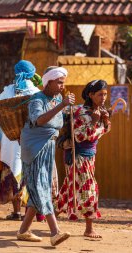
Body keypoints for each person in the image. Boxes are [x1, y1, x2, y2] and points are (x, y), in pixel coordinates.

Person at [17, 66, 75, 246]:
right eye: (58, 82)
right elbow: (39, 120)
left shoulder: (57, 98)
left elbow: (62, 116)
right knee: (41, 188)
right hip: (34, 149)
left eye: (63, 82)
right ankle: (55, 232)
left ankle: (24, 230)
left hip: (48, 148)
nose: (61, 85)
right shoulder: (37, 99)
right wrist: (62, 105)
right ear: (48, 82)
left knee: (38, 188)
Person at [56, 79, 111, 239]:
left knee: (69, 188)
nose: (103, 98)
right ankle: (89, 228)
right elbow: (80, 136)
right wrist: (95, 121)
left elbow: (105, 130)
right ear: (90, 95)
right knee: (89, 188)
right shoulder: (80, 112)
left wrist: (105, 120)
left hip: (89, 157)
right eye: (100, 94)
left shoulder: (99, 110)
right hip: (77, 156)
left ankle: (50, 214)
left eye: (105, 94)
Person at [0, 60, 40, 221]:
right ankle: (28, 214)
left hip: (9, 143)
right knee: (29, 176)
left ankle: (16, 212)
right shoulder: (37, 93)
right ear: (32, 73)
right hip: (31, 142)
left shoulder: (5, 94)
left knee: (13, 175)